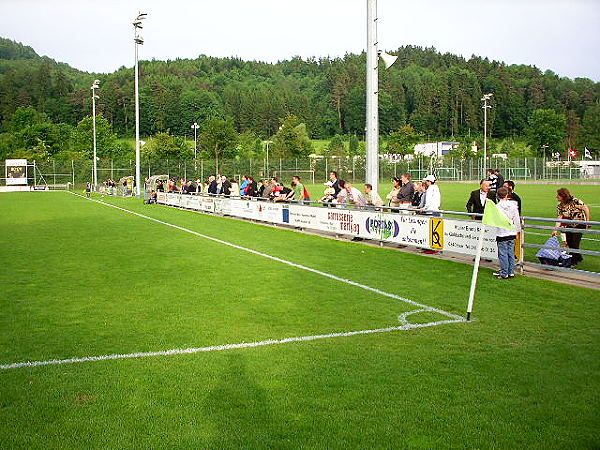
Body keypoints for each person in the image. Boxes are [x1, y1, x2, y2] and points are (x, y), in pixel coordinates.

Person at [552, 188, 591, 266]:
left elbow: (585, 208)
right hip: (569, 225)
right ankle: (578, 257)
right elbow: (559, 217)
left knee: (575, 243)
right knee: (569, 242)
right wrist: (555, 230)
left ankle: (573, 262)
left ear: (563, 196)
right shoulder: (560, 206)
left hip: (579, 224)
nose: (557, 197)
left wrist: (587, 221)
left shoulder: (576, 201)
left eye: (558, 195)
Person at [493, 187, 521, 279]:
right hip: (511, 232)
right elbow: (516, 219)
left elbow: (495, 221)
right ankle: (511, 271)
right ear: (507, 194)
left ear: (498, 195)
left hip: (502, 233)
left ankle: (504, 272)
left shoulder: (497, 207)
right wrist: (517, 231)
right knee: (510, 253)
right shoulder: (513, 205)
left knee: (503, 254)